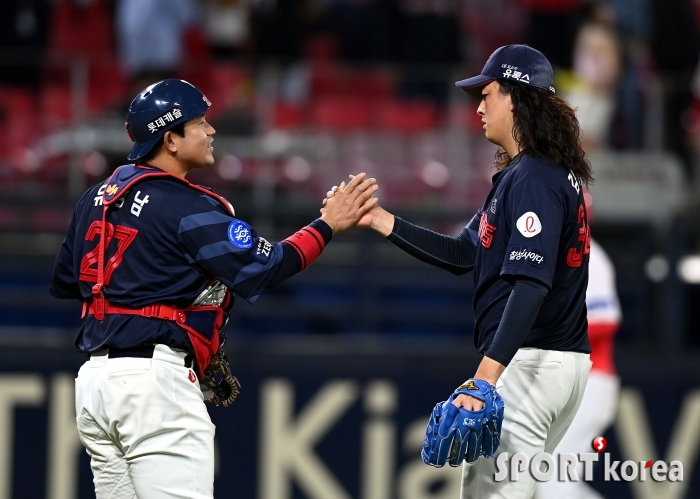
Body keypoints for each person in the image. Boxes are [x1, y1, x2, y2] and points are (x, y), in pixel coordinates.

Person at [49, 78, 378, 499]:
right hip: (154, 385)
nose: (211, 131)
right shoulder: (186, 205)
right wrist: (328, 224)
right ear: (170, 139)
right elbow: (269, 266)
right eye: (200, 123)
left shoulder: (96, 197)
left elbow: (67, 280)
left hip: (95, 384)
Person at [328, 44, 593, 499]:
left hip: (530, 362)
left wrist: (485, 377)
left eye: (487, 93)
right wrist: (379, 220)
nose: (479, 105)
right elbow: (462, 253)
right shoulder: (532, 174)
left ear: (515, 96)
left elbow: (530, 285)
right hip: (554, 363)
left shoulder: (533, 176)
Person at [534, 204, 621, 499]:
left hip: (590, 382)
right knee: (551, 483)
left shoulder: (591, 258)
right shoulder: (557, 256)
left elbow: (604, 322)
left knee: (554, 485)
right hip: (570, 385)